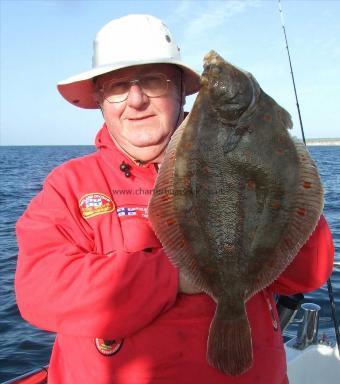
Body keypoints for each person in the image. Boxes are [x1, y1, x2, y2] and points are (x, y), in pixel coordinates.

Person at [15, 14, 334, 384]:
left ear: (181, 92)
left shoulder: (248, 157)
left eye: (153, 81)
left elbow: (312, 270)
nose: (136, 100)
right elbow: (42, 290)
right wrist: (175, 276)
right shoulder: (70, 183)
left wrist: (275, 173)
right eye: (118, 86)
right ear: (100, 100)